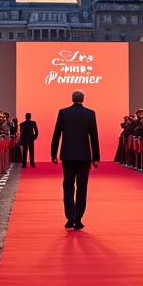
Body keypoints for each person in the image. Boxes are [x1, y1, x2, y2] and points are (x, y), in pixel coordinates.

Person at [51, 90, 100, 229]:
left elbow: (56, 134)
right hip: (84, 156)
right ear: (83, 99)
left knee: (68, 185)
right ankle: (78, 218)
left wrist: (53, 154)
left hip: (68, 155)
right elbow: (94, 137)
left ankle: (70, 217)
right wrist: (96, 158)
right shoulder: (90, 114)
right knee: (82, 187)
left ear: (72, 99)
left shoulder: (63, 112)